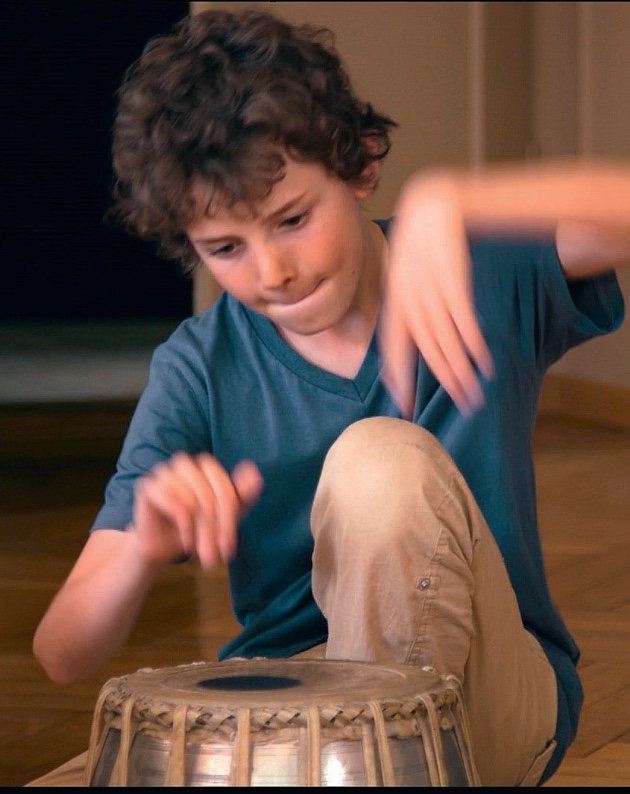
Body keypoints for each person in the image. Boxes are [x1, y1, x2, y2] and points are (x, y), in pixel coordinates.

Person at [31, 7, 630, 787]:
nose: (271, 272)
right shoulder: (198, 367)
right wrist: (142, 542)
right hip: (284, 718)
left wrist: (456, 197)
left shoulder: (472, 267)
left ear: (361, 167)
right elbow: (61, 651)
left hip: (477, 700)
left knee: (380, 461)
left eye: (292, 219)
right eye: (225, 248)